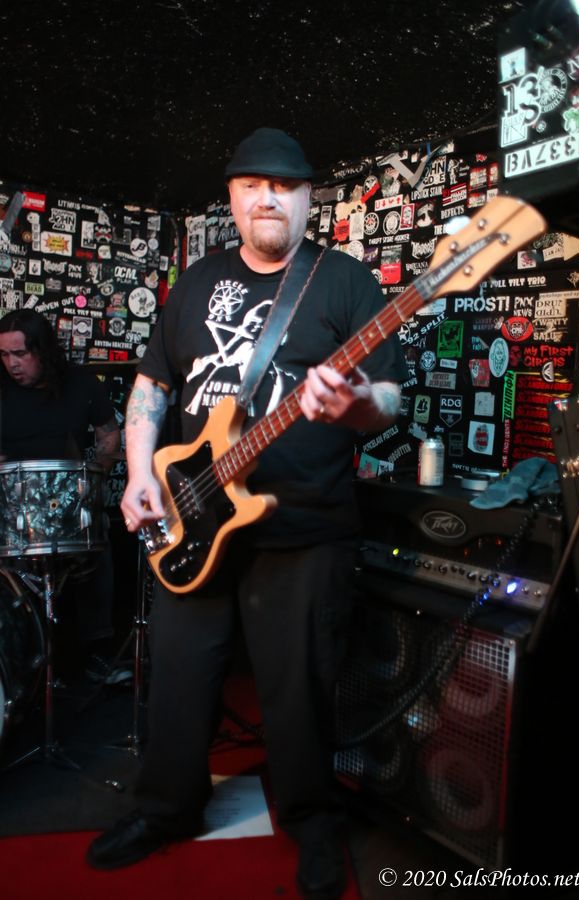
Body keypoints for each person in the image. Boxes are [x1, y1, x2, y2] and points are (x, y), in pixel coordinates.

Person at [86, 127, 407, 898]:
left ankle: (314, 821)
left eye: (285, 186)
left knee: (300, 692)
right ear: (231, 197)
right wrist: (140, 473)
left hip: (304, 529)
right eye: (253, 185)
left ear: (308, 198)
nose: (268, 198)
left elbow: (390, 399)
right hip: (192, 514)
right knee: (179, 680)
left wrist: (356, 403)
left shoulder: (343, 282)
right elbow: (154, 384)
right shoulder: (197, 281)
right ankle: (164, 808)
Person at [0, 308, 129, 684]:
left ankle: (97, 652)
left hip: (68, 499)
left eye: (20, 353)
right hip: (8, 503)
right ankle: (17, 666)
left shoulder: (79, 383)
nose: (11, 364)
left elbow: (109, 434)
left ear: (43, 350)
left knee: (97, 540)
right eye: (4, 355)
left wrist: (92, 480)